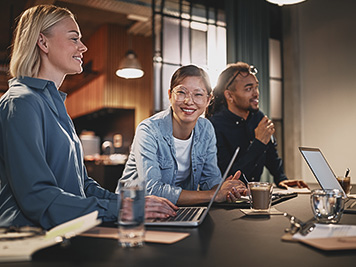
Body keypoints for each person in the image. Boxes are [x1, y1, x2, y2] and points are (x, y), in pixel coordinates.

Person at [0, 4, 177, 230]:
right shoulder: (21, 103)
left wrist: (131, 202)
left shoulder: (54, 106)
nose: (83, 47)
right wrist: (121, 209)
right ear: (43, 42)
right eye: (74, 39)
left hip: (64, 230)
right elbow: (38, 198)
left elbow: (83, 186)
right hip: (28, 239)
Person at [116, 65, 247, 205]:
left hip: (178, 209)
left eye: (198, 94)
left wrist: (226, 190)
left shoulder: (206, 129)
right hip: (134, 211)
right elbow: (151, 190)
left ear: (208, 100)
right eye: (181, 92)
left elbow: (210, 181)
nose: (189, 101)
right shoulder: (148, 130)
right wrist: (213, 195)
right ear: (170, 95)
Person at [206, 62, 308, 189]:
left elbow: (270, 153)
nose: (256, 93)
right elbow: (230, 177)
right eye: (249, 89)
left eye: (256, 87)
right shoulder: (213, 126)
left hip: (254, 196)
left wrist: (281, 178)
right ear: (229, 95)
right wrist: (258, 143)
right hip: (228, 199)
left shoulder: (258, 117)